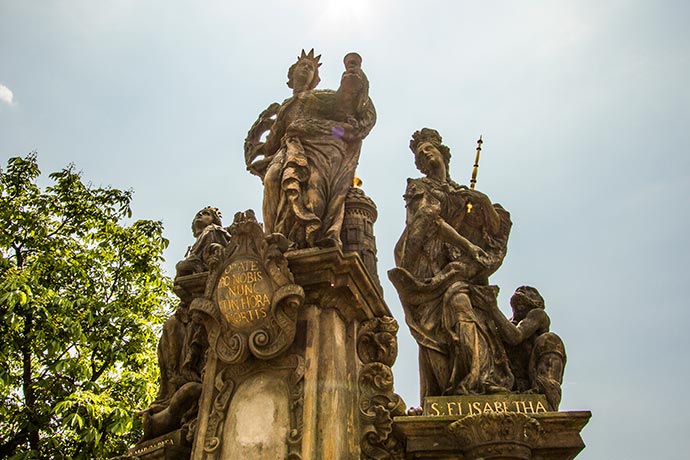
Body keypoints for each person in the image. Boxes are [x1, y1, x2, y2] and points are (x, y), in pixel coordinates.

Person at [389, 128, 514, 398]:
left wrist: (483, 202)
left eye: (429, 149)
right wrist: (467, 246)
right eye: (421, 153)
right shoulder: (419, 187)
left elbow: (495, 227)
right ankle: (461, 383)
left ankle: (476, 379)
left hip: (460, 268)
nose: (425, 154)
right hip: (427, 264)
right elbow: (427, 219)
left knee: (464, 308)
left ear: (442, 153)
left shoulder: (460, 191)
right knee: (437, 326)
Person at [244, 49, 376, 249]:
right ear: (292, 75)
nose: (306, 69)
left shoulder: (321, 96)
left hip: (320, 149)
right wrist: (255, 141)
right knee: (272, 177)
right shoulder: (285, 107)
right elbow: (271, 143)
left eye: (311, 67)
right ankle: (273, 237)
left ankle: (311, 234)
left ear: (316, 78)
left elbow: (349, 101)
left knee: (314, 185)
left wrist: (353, 72)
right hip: (289, 147)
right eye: (302, 65)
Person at [481, 286, 567, 409]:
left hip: (535, 375)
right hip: (513, 381)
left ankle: (546, 395)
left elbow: (516, 337)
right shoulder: (507, 324)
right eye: (517, 301)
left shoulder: (537, 314)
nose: (520, 304)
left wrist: (492, 308)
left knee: (550, 339)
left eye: (524, 301)